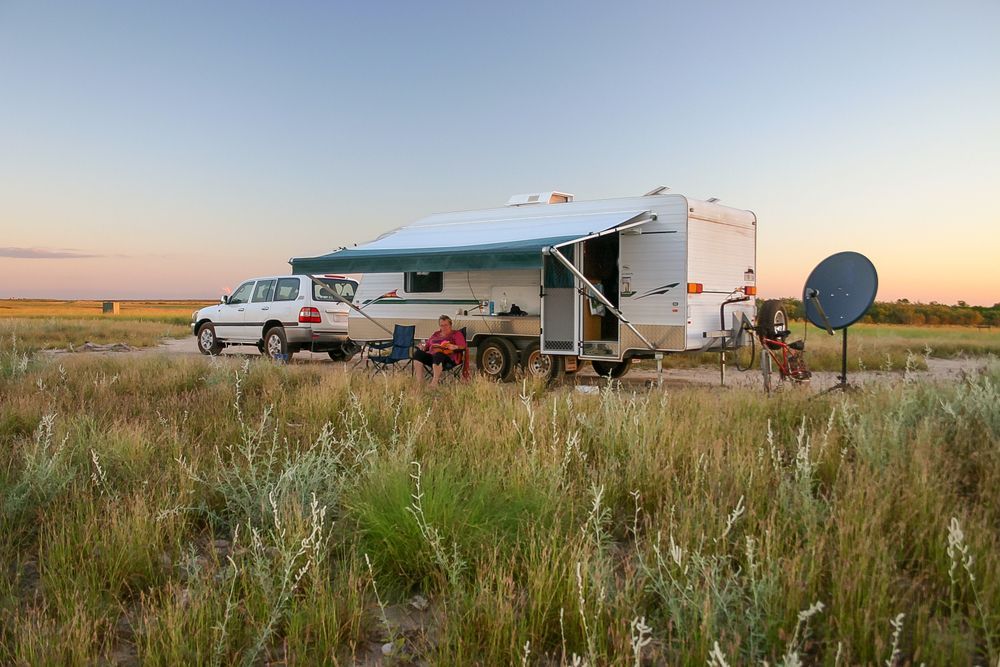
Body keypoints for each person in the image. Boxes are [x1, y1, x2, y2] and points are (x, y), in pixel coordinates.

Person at [413, 315, 466, 387]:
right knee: (418, 354)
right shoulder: (436, 334)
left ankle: (434, 383)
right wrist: (423, 347)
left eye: (446, 325)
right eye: (442, 325)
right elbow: (427, 345)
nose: (444, 327)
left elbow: (463, 346)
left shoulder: (456, 334)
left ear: (450, 325)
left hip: (448, 358)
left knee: (438, 354)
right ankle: (420, 382)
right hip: (432, 357)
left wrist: (455, 346)